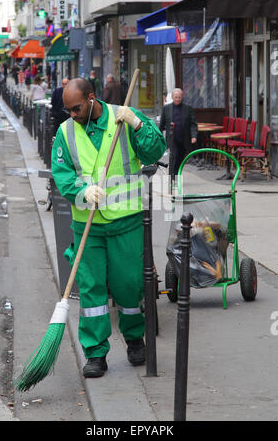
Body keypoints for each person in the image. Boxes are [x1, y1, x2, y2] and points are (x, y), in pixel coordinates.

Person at [51, 78, 166, 378]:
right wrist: (81, 192)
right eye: (68, 110)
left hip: (125, 221)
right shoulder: (66, 132)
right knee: (91, 289)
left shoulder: (124, 117)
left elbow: (155, 152)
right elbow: (62, 174)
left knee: (129, 285)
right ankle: (96, 352)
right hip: (87, 224)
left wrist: (139, 125)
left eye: (76, 108)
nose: (72, 115)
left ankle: (134, 340)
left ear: (91, 98)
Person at [159, 88, 197, 175]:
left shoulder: (188, 109)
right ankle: (172, 177)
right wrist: (159, 136)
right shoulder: (166, 108)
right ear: (172, 97)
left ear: (182, 97)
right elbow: (161, 124)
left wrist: (194, 136)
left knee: (180, 158)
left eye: (179, 97)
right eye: (176, 97)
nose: (178, 99)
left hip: (184, 138)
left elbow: (193, 124)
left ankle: (176, 174)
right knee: (173, 157)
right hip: (172, 138)